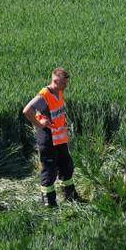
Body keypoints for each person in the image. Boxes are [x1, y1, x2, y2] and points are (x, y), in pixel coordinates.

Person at [22, 67, 84, 207]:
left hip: (59, 138)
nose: (66, 86)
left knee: (66, 165)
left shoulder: (59, 91)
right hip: (48, 138)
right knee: (49, 169)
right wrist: (39, 124)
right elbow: (27, 110)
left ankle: (70, 196)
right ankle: (49, 203)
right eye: (63, 83)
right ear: (55, 81)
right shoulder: (44, 95)